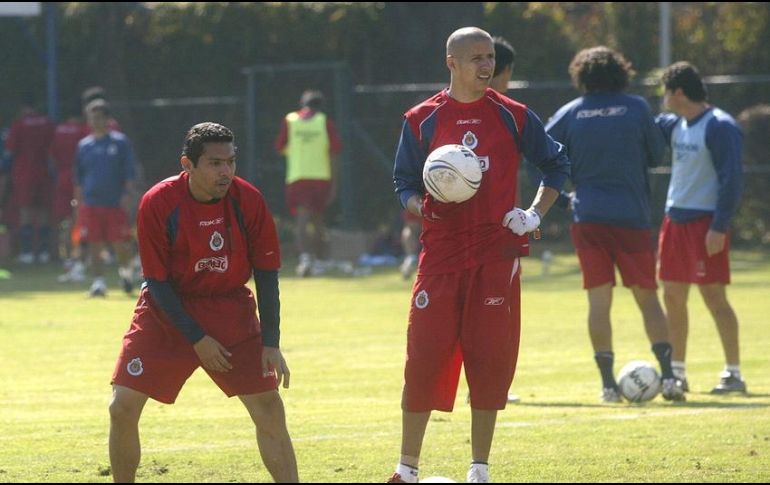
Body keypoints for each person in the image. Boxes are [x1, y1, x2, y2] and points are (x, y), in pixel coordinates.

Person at [390, 27, 570, 484]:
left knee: (490, 360)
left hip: (496, 258)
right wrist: (424, 206)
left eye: (489, 57)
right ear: (450, 62)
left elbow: (556, 165)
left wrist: (532, 213)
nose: (485, 65)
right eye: (474, 58)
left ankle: (480, 470)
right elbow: (404, 184)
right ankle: (406, 470)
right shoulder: (422, 119)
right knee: (424, 359)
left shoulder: (514, 116)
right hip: (441, 259)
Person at [108, 122, 298, 483]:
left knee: (270, 409)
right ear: (188, 165)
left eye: (230, 161)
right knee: (122, 407)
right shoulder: (158, 202)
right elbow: (158, 283)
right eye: (214, 163)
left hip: (230, 311)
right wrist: (197, 338)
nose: (225, 171)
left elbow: (267, 273)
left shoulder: (249, 200)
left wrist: (271, 342)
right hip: (167, 311)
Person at [545, 46, 685, 403]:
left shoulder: (571, 113)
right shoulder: (637, 107)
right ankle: (669, 378)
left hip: (588, 217)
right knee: (647, 298)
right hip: (631, 217)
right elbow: (656, 154)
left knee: (598, 302)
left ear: (581, 76)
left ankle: (608, 385)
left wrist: (561, 199)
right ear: (620, 73)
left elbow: (538, 155)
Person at [655, 61, 746, 394]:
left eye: (665, 91)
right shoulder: (673, 123)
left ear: (678, 92)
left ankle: (733, 373)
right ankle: (677, 373)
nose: (662, 98)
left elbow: (732, 181)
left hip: (706, 223)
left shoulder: (720, 126)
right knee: (673, 295)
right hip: (674, 221)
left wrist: (720, 226)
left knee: (714, 297)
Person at [274, 90, 342, 277]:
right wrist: (334, 183)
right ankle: (319, 261)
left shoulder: (290, 121)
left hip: (297, 177)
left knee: (302, 221)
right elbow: (334, 152)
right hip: (321, 178)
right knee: (318, 221)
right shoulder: (324, 122)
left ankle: (306, 259)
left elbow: (280, 147)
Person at [74, 99, 137, 296]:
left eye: (99, 117)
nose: (95, 121)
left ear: (108, 119)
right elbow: (79, 177)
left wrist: (127, 195)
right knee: (94, 243)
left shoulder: (119, 142)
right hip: (91, 203)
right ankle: (99, 283)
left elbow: (129, 173)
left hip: (114, 203)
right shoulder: (84, 145)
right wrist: (78, 201)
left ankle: (126, 275)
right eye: (92, 117)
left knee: (120, 244)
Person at [5, 92, 55, 263]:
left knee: (26, 211)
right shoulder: (47, 123)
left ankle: (26, 253)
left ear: (22, 107)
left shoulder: (18, 125)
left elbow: (10, 150)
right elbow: (52, 148)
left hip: (24, 172)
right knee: (42, 212)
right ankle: (43, 253)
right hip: (43, 171)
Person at [50, 100, 89, 278]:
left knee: (64, 220)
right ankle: (78, 258)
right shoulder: (83, 131)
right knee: (79, 220)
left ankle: (66, 258)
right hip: (79, 179)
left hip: (62, 176)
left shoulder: (58, 131)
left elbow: (52, 155)